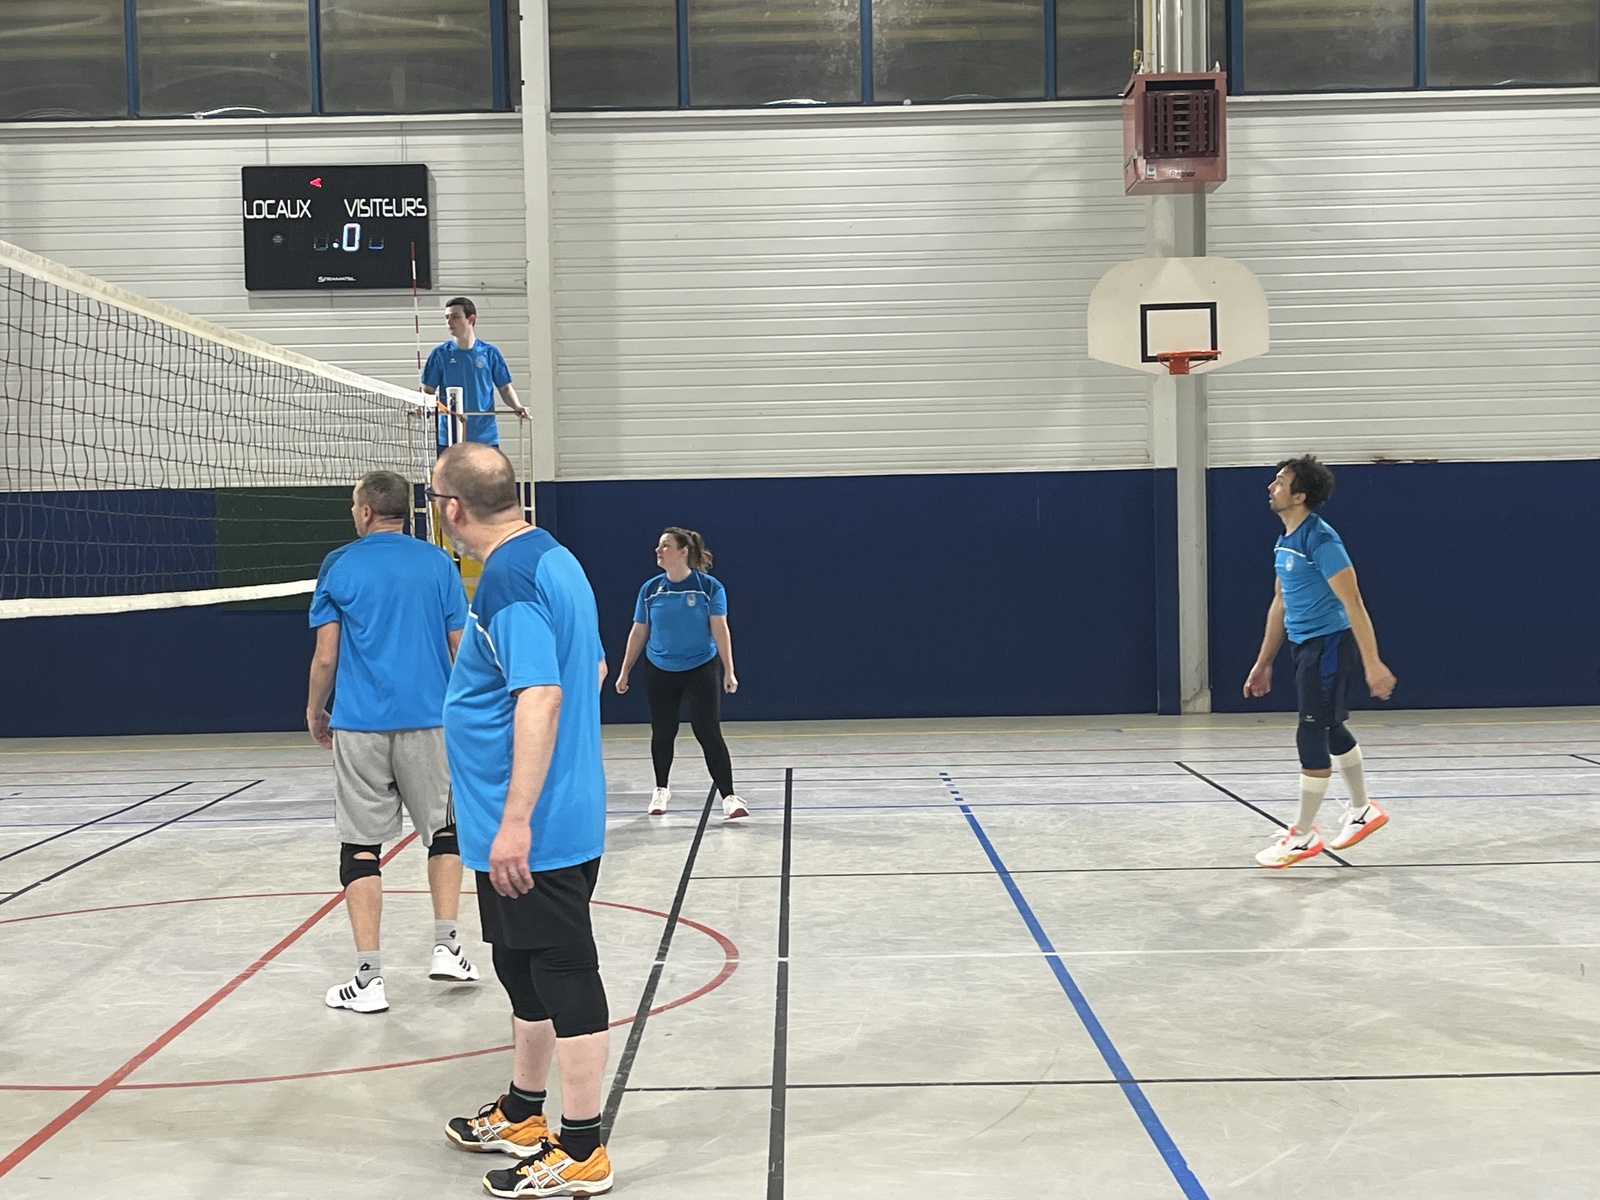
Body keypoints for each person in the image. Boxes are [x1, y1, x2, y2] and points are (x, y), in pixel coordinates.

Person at [432, 443, 615, 1197]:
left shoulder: (508, 576)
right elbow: (593, 666)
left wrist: (517, 819)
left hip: (534, 826)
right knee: (520, 965)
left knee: (564, 970)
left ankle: (582, 1149)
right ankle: (523, 1110)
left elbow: (541, 692)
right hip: (534, 814)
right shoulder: (552, 557)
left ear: (452, 509)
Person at [307, 470, 478, 1013]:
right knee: (445, 831)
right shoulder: (438, 563)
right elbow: (461, 644)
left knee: (360, 847)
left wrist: (315, 709)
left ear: (365, 512)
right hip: (430, 722)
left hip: (359, 724)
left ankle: (369, 979)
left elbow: (327, 656)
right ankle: (448, 947)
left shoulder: (339, 565)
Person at [1244, 455, 1396, 868]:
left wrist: (1372, 663)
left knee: (1310, 731)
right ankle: (1363, 810)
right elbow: (1280, 603)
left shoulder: (1322, 540)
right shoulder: (1285, 541)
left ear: (1299, 496)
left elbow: (1353, 602)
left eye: (1280, 481)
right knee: (1329, 727)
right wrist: (1264, 662)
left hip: (1328, 644)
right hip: (1303, 646)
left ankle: (1303, 836)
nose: (1271, 486)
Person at [614, 528, 747, 820]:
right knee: (663, 731)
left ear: (683, 551)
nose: (658, 550)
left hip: (700, 668)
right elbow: (639, 631)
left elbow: (720, 629)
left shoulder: (708, 587)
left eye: (665, 545)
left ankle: (729, 797)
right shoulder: (650, 590)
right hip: (660, 670)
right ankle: (661, 789)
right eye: (659, 545)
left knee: (707, 731)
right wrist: (624, 671)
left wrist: (729, 670)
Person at [421, 296, 530, 452]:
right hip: (450, 435)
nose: (449, 322)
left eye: (455, 317)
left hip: (484, 435)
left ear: (471, 319)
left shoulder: (490, 353)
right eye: (447, 317)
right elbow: (428, 391)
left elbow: (505, 388)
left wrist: (517, 406)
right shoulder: (439, 354)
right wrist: (424, 407)